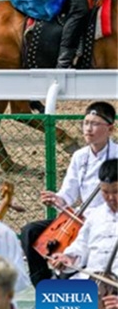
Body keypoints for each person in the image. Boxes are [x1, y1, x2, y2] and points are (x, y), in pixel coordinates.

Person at [20, 101, 117, 286]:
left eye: (95, 124)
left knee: (72, 262)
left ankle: (66, 279)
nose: (88, 129)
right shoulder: (79, 156)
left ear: (110, 129)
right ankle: (43, 284)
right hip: (79, 218)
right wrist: (58, 199)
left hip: (106, 220)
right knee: (30, 231)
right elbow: (68, 193)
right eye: (86, 123)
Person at [50, 158, 117, 309]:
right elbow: (80, 247)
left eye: (116, 191)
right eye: (105, 192)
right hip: (91, 278)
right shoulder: (95, 215)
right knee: (60, 293)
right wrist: (68, 258)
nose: (111, 198)